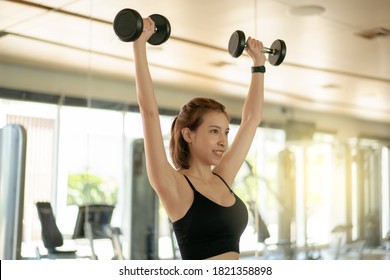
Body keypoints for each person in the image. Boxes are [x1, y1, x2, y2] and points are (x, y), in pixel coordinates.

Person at [133, 17, 266, 260]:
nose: (223, 141)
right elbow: (149, 112)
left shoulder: (223, 178)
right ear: (188, 134)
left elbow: (251, 120)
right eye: (214, 131)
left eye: (225, 132)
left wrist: (258, 65)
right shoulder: (172, 185)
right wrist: (138, 44)